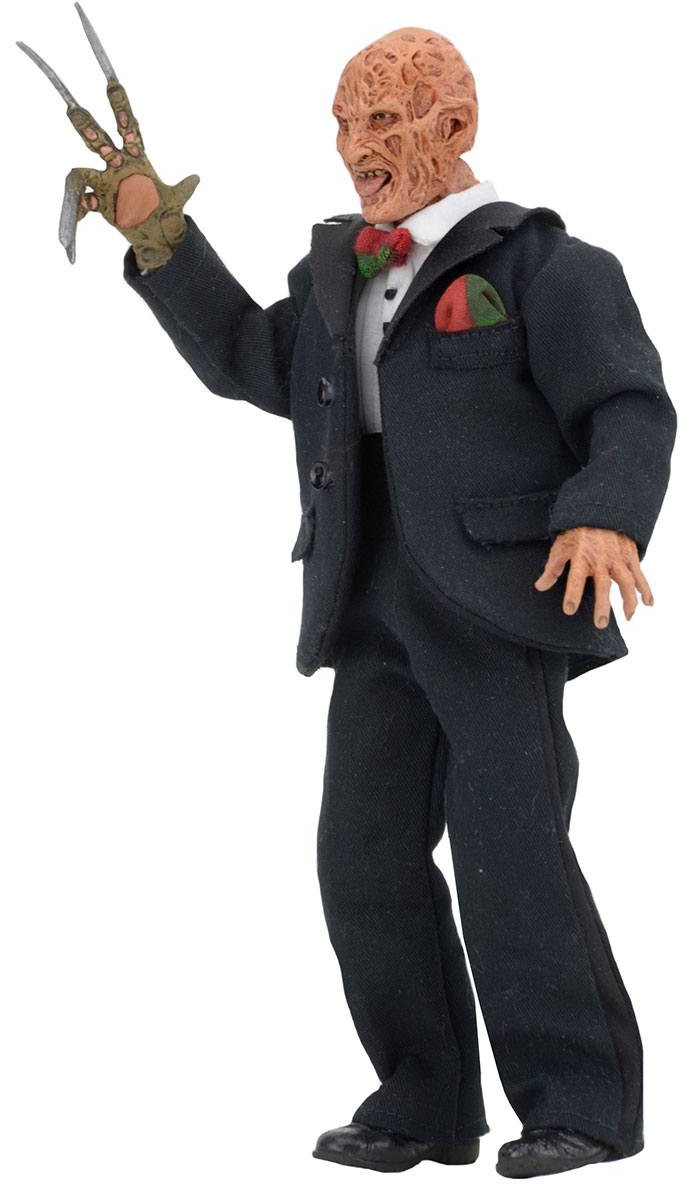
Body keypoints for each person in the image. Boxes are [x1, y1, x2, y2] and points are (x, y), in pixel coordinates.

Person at [19, 13, 676, 1179]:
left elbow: (626, 403)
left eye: (380, 120)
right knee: (361, 856)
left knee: (511, 850)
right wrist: (159, 235)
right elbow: (250, 358)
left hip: (495, 602)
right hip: (366, 599)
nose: (354, 147)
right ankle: (423, 1097)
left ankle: (579, 1100)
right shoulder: (338, 274)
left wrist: (603, 512)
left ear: (453, 125)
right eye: (341, 121)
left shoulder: (549, 268)